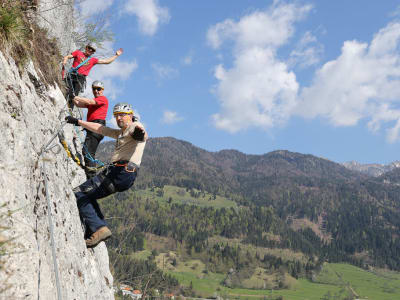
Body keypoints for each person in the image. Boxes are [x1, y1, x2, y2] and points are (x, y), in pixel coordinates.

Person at [65, 103, 147, 248]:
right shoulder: (121, 132)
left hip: (121, 172)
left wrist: (140, 134)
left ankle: (98, 228)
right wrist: (78, 122)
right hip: (121, 174)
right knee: (88, 195)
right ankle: (98, 228)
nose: (119, 118)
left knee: (79, 193)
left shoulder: (134, 127)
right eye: (116, 116)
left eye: (122, 115)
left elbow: (141, 134)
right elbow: (101, 129)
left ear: (130, 115)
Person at [62, 42, 122, 108]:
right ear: (86, 48)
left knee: (74, 96)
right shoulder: (78, 53)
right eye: (89, 48)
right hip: (72, 74)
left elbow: (106, 62)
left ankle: (69, 109)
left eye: (92, 50)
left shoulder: (93, 60)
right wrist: (65, 60)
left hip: (80, 78)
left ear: (93, 52)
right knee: (66, 88)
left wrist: (116, 55)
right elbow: (68, 56)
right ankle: (61, 102)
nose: (90, 50)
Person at [73, 80, 108, 179]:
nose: (96, 91)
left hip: (97, 126)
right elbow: (79, 104)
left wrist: (76, 96)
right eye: (94, 89)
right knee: (87, 151)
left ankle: (92, 177)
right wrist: (73, 98)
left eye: (98, 89)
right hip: (92, 127)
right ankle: (91, 175)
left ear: (102, 90)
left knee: (88, 151)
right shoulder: (94, 102)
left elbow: (88, 101)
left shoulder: (103, 99)